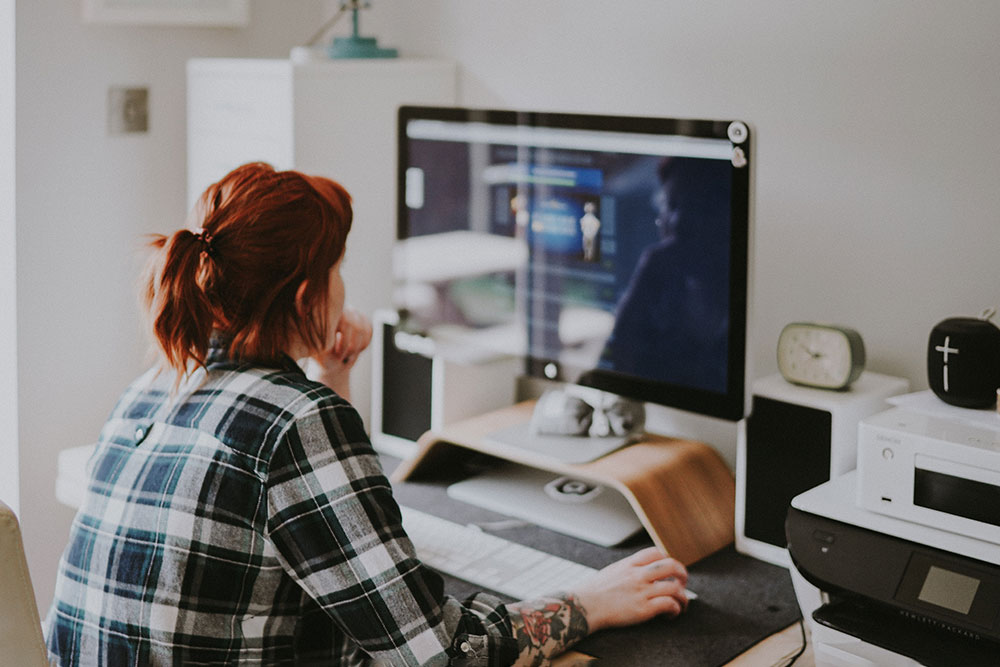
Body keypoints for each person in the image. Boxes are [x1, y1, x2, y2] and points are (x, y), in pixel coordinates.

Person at [44, 162, 690, 666]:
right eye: (339, 269)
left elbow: (318, 521)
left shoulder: (157, 382)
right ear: (308, 294)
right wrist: (591, 602)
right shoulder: (296, 420)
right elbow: (437, 653)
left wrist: (333, 375)